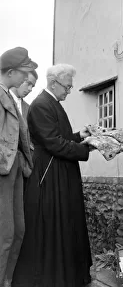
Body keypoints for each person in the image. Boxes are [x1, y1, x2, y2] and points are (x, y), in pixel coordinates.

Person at [12, 64, 93, 287]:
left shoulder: (51, 103)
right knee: (52, 225)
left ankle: (68, 276)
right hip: (49, 175)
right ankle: (53, 278)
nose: (69, 91)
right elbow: (53, 143)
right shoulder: (41, 105)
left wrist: (80, 136)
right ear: (54, 83)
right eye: (67, 87)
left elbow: (61, 137)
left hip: (60, 172)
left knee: (66, 222)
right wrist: (87, 147)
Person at [0, 47, 38, 287]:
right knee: (4, 235)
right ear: (11, 72)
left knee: (17, 231)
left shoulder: (12, 98)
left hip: (14, 169)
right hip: (3, 170)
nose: (26, 79)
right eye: (23, 74)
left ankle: (7, 281)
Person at [10, 70, 38, 155]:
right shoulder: (2, 100)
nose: (30, 89)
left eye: (32, 86)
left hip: (24, 163)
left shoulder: (29, 109)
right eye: (28, 83)